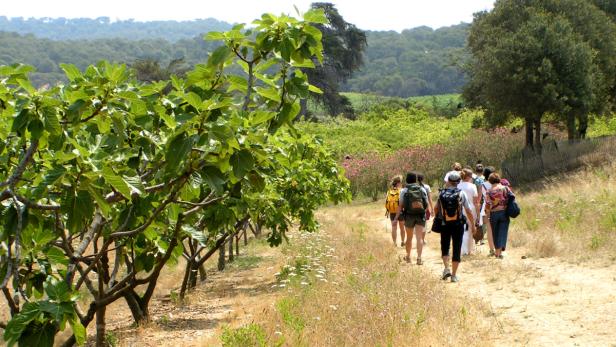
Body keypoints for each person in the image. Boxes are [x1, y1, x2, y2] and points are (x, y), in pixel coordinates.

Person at [434, 172, 475, 282]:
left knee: (445, 246)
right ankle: (454, 275)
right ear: (458, 182)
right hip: (458, 224)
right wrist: (473, 224)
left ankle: (446, 268)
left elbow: (436, 208)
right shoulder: (462, 193)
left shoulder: (442, 193)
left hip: (444, 224)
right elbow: (468, 210)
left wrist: (439, 218)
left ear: (448, 182)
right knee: (457, 248)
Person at [395, 172, 428, 265]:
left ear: (407, 180)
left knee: (409, 238)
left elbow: (400, 206)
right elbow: (426, 204)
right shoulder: (422, 189)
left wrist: (395, 218)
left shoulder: (404, 190)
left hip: (409, 215)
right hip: (420, 215)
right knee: (419, 238)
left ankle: (408, 257)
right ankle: (419, 258)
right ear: (416, 179)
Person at [485, 173, 511, 259]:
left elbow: (488, 204)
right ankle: (500, 251)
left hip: (493, 214)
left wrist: (488, 214)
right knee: (503, 232)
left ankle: (497, 252)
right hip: (504, 213)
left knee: (495, 233)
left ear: (490, 181)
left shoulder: (488, 191)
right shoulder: (504, 188)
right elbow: (510, 198)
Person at [458, 169, 478, 255]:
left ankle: (465, 250)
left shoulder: (458, 185)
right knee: (470, 229)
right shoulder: (472, 186)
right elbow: (475, 201)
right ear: (468, 177)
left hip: (460, 209)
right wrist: (478, 213)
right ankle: (467, 250)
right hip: (471, 209)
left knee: (462, 229)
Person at [385, 176, 406, 247]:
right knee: (402, 228)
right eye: (401, 182)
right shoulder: (402, 190)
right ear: (398, 183)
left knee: (394, 228)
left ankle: (394, 243)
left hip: (392, 212)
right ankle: (403, 241)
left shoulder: (389, 191)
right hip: (401, 212)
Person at [480, 166, 496, 256]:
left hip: (486, 209)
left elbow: (481, 198)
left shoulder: (483, 185)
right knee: (496, 229)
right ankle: (498, 248)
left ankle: (491, 250)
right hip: (497, 208)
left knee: (489, 230)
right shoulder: (499, 184)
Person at [417, 172, 434, 244]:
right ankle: (422, 240)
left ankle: (418, 239)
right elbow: (430, 199)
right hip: (425, 208)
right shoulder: (426, 187)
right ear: (423, 179)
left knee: (417, 224)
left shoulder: (414, 187)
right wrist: (432, 209)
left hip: (415, 208)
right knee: (424, 224)